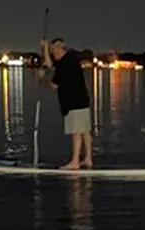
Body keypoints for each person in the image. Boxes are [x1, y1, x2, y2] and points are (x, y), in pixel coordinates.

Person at [42, 37, 93, 169]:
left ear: (59, 49)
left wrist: (43, 77)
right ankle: (88, 158)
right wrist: (45, 48)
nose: (53, 53)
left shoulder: (64, 65)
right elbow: (50, 64)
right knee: (84, 130)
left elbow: (54, 85)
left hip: (73, 102)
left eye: (53, 50)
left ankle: (75, 161)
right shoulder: (70, 59)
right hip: (82, 100)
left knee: (77, 131)